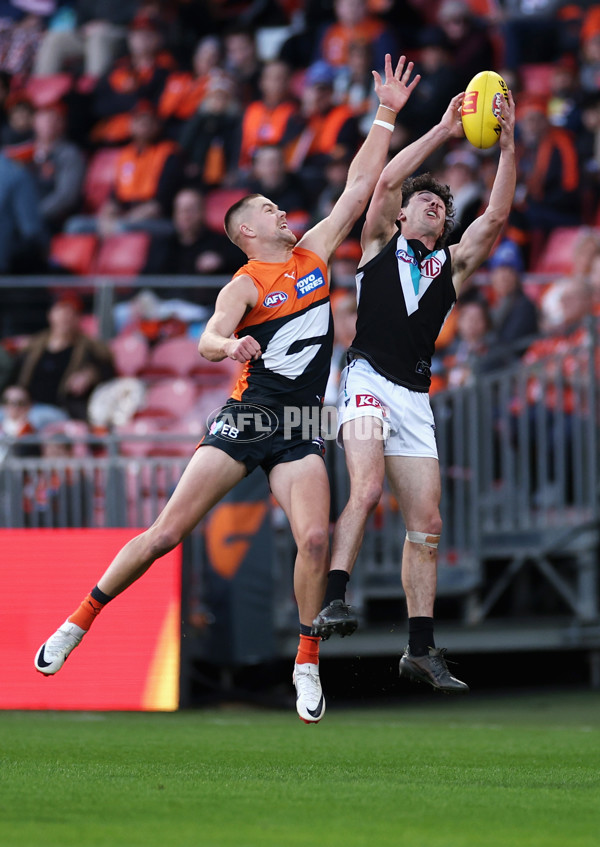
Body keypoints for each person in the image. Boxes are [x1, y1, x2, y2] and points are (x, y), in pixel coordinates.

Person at [34, 55, 420, 724]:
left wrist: (385, 112)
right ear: (249, 231)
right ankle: (78, 619)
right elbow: (209, 337)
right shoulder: (243, 284)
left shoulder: (315, 255)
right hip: (250, 414)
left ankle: (305, 663)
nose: (283, 211)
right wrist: (228, 344)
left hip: (301, 421)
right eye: (271, 209)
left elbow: (360, 186)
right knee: (166, 533)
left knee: (316, 542)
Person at [311, 87, 517, 695]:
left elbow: (498, 219)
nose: (433, 208)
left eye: (440, 205)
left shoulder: (449, 265)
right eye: (424, 201)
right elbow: (381, 184)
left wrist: (508, 147)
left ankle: (419, 649)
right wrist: (445, 130)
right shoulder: (377, 244)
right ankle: (335, 599)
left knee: (427, 521)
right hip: (367, 378)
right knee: (368, 486)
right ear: (403, 213)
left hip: (415, 396)